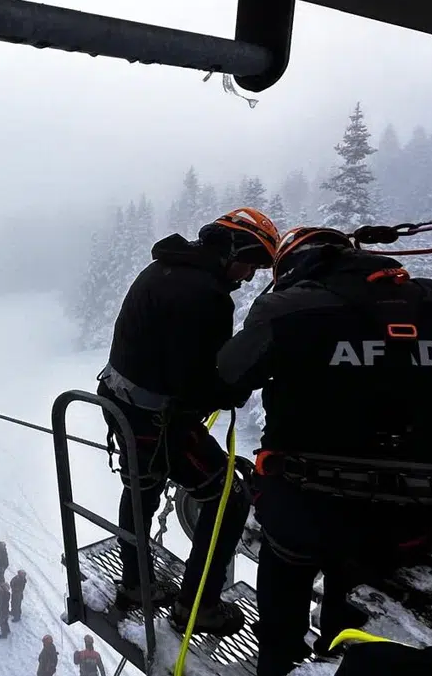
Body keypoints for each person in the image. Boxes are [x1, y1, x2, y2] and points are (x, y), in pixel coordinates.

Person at [217, 226, 432, 676]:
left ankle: (279, 664)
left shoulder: (289, 307)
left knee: (284, 591)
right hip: (415, 511)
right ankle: (338, 654)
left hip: (307, 504)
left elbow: (231, 373)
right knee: (351, 603)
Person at [97, 208, 280, 636]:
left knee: (141, 490)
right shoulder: (205, 294)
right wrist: (240, 385)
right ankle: (198, 607)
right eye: (251, 261)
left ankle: (136, 582)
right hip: (157, 419)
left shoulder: (166, 268)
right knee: (229, 500)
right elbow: (199, 381)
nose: (251, 275)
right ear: (232, 248)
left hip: (125, 404)